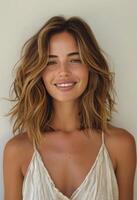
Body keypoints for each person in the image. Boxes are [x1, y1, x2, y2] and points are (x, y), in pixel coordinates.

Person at [3, 15, 136, 200]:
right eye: (51, 62)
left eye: (75, 60)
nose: (63, 71)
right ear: (38, 71)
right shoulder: (17, 151)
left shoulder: (121, 145)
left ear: (90, 66)